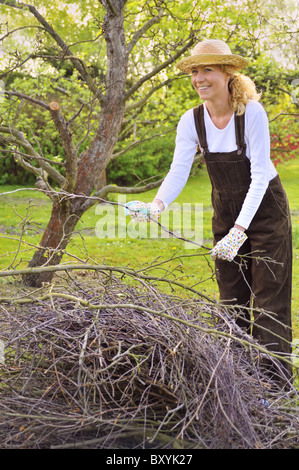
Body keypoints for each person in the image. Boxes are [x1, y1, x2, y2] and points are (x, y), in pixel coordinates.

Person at [126, 39, 293, 386]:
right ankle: (237, 383)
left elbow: (260, 173)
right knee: (231, 299)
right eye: (195, 71)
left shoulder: (251, 113)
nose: (199, 78)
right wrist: (156, 206)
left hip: (265, 213)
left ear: (228, 72)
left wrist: (239, 231)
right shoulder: (192, 120)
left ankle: (274, 387)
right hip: (226, 214)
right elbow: (178, 170)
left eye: (208, 70)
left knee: (268, 300)